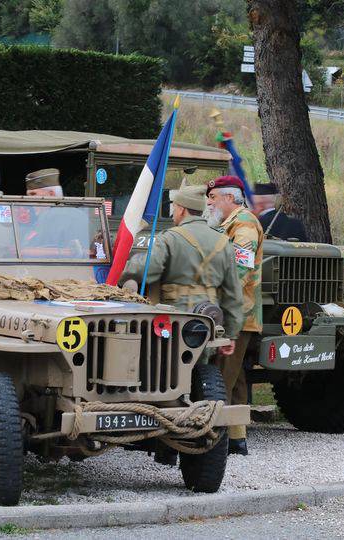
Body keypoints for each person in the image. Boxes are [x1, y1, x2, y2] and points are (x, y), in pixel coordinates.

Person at [119, 181, 244, 466]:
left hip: (171, 321)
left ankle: (163, 443)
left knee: (163, 378)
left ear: (183, 209)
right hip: (208, 323)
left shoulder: (171, 238)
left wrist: (124, 271)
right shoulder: (223, 241)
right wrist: (232, 333)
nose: (173, 211)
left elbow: (146, 269)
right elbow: (234, 294)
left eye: (174, 206)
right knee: (200, 376)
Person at [205, 175, 263, 456]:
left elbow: (242, 270)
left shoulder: (244, 224)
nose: (209, 202)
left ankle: (217, 439)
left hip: (237, 314)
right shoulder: (229, 224)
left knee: (222, 377)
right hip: (237, 313)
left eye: (213, 197)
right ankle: (238, 438)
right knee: (235, 375)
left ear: (229, 198)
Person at [20, 168, 90, 257]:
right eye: (28, 196)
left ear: (51, 194)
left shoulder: (55, 215)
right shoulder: (42, 217)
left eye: (33, 194)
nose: (29, 200)